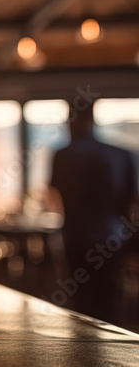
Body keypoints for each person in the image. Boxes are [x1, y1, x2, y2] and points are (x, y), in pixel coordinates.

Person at [49, 102, 138, 322]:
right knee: (109, 299)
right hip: (111, 238)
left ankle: (84, 354)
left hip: (76, 238)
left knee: (81, 305)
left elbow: (57, 197)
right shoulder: (120, 154)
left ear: (71, 120)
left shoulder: (63, 156)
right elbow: (131, 203)